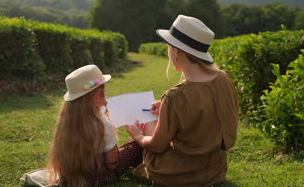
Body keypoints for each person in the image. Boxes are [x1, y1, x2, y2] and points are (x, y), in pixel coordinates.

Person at [126, 15, 240, 187]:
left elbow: (157, 146)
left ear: (176, 51)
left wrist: (138, 136)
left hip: (178, 175)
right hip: (215, 172)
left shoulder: (175, 96)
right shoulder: (225, 79)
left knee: (149, 125)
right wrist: (166, 108)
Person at [47, 65, 142, 187]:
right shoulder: (103, 124)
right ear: (97, 96)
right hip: (99, 177)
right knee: (135, 145)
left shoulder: (65, 123)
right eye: (104, 93)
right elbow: (112, 163)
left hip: (70, 177)